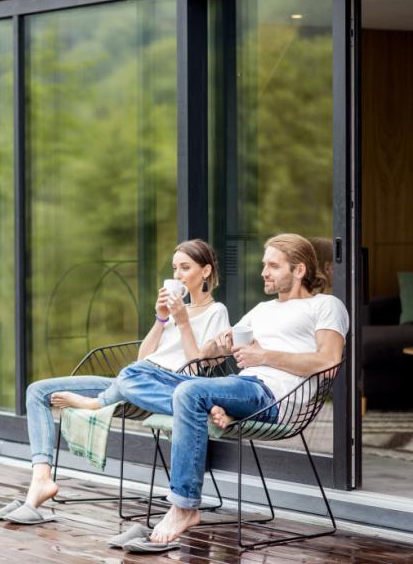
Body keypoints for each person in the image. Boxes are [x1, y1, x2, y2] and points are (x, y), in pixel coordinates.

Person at [104, 233, 348, 547]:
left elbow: (329, 360)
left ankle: (184, 507)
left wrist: (264, 356)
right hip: (239, 387)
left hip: (271, 396)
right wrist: (213, 342)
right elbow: (204, 358)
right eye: (264, 265)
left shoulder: (326, 305)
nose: (264, 272)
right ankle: (207, 407)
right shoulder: (261, 310)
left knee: (189, 394)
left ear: (298, 270)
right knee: (132, 376)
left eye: (273, 266)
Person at [0, 239, 230, 524]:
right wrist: (162, 319)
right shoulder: (174, 311)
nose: (177, 275)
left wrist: (184, 322)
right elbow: (143, 358)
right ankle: (41, 479)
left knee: (131, 377)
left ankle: (98, 402)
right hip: (136, 379)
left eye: (185, 268)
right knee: (37, 391)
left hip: (169, 386)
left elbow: (195, 370)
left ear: (205, 272)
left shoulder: (217, 312)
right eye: (174, 268)